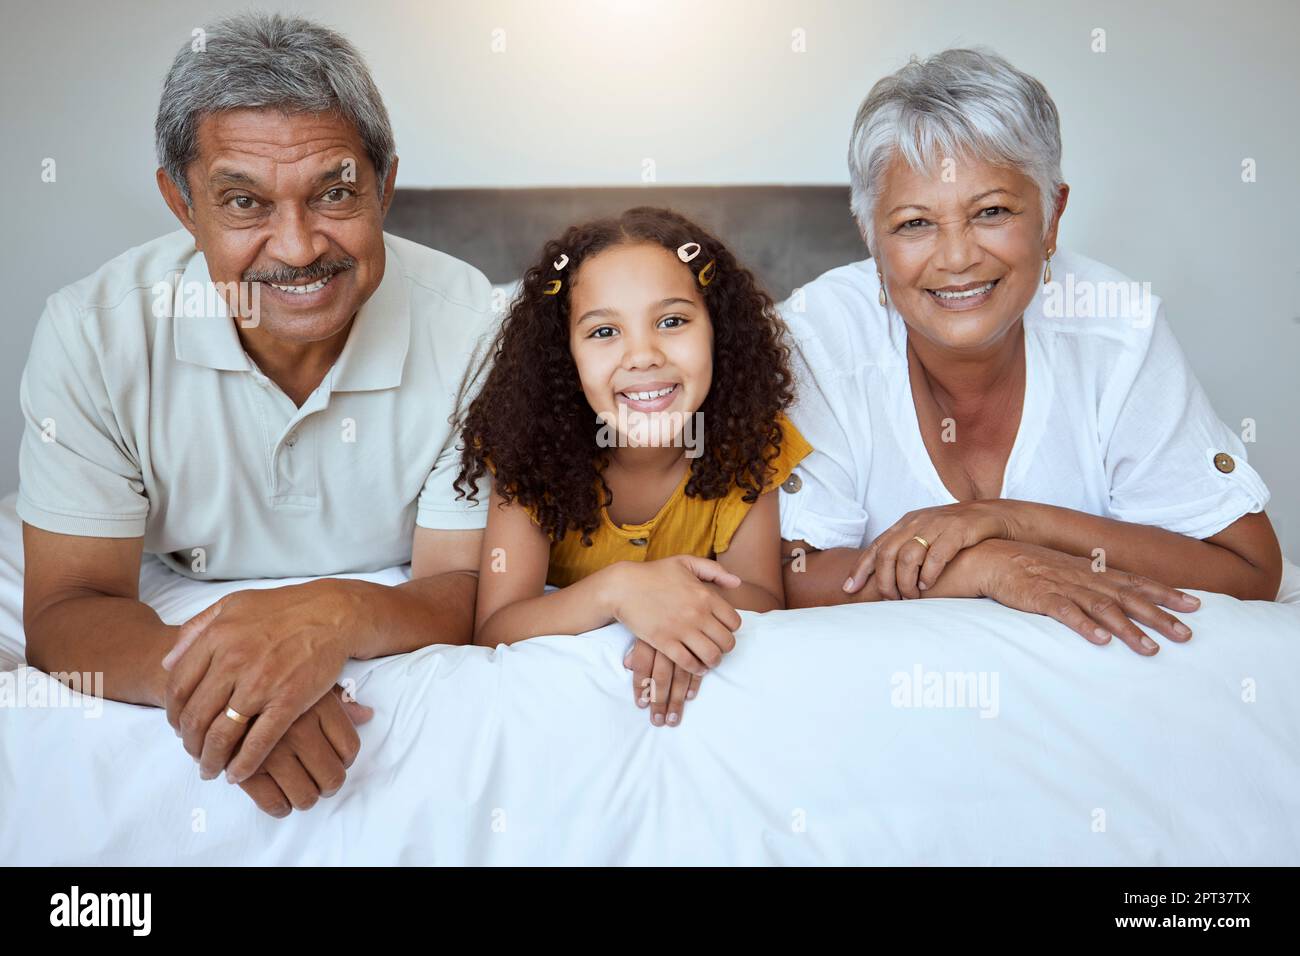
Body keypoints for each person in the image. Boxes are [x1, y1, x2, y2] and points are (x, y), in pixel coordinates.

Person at [18, 13, 495, 816]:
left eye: (335, 193)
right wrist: (239, 685)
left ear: (385, 185)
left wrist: (332, 616)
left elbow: (465, 586)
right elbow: (67, 609)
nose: (300, 246)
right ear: (181, 203)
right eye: (244, 202)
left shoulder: (477, 326)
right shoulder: (93, 331)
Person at [779, 48, 1282, 653]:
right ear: (869, 235)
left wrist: (1015, 520)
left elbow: (1250, 569)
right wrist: (989, 565)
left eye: (991, 212)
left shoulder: (1117, 326)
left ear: (1052, 218)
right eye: (915, 223)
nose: (958, 257)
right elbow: (790, 578)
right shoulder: (815, 337)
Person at [456, 207, 809, 726]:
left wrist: (673, 619)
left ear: (719, 331)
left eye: (672, 321)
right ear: (565, 354)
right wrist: (620, 592)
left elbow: (760, 596)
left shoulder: (751, 441)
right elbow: (496, 627)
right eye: (604, 332)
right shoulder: (529, 448)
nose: (642, 355)